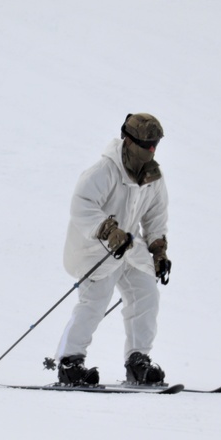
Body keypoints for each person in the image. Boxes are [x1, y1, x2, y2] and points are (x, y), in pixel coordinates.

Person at [52, 113, 172, 386]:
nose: (151, 150)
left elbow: (156, 217)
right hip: (95, 250)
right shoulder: (103, 171)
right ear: (128, 141)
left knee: (146, 296)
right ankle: (70, 363)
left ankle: (137, 361)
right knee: (94, 304)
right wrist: (108, 230)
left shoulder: (154, 176)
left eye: (155, 144)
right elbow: (81, 205)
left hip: (129, 249)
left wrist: (158, 251)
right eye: (146, 144)